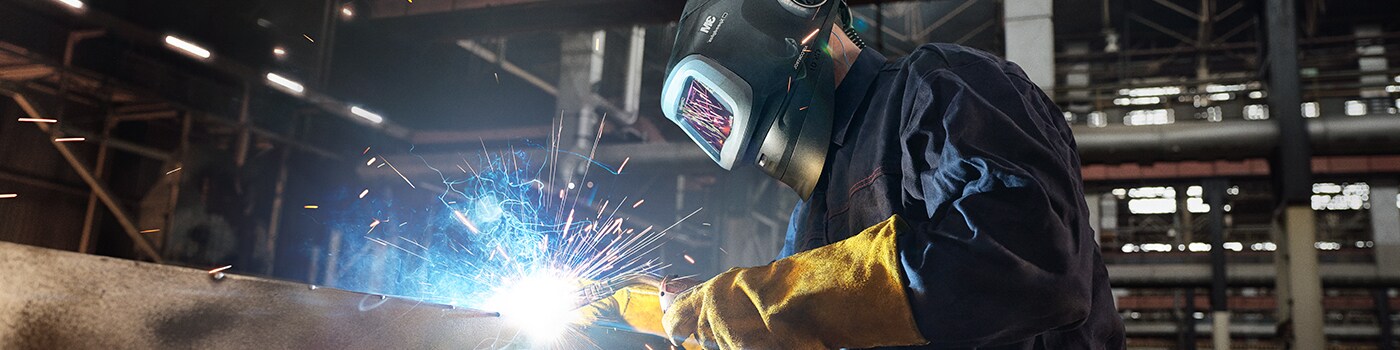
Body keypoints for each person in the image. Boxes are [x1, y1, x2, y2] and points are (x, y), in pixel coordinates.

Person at [652, 0, 1126, 349]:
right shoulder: (810, 214)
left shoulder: (940, 87)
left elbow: (1028, 262)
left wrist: (772, 300)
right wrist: (712, 318)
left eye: (774, 119)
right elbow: (796, 312)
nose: (773, 153)